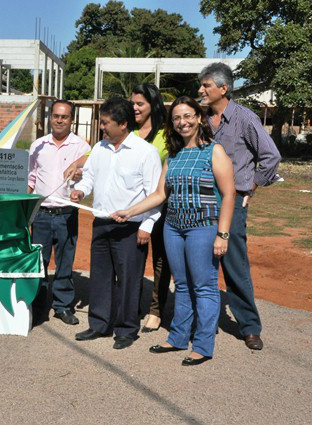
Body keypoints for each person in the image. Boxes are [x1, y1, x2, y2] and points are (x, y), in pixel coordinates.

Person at [112, 96, 236, 366]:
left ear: (200, 118)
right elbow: (159, 194)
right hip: (173, 228)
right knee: (181, 284)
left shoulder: (214, 151)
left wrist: (222, 234)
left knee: (203, 287)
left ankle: (203, 344)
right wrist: (130, 211)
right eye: (177, 118)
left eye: (188, 116)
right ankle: (178, 338)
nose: (183, 122)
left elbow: (228, 195)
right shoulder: (174, 155)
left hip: (203, 228)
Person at [64, 84, 171, 332]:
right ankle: (99, 325)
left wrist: (146, 226)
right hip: (101, 223)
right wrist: (82, 190)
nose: (101, 127)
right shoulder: (99, 149)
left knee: (128, 281)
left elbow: (155, 195)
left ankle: (126, 328)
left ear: (123, 125)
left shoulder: (146, 153)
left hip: (131, 228)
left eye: (105, 123)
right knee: (100, 278)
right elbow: (89, 178)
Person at [198, 62, 281, 350]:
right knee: (200, 257)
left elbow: (271, 156)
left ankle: (249, 326)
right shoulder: (202, 120)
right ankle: (202, 317)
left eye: (206, 85)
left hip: (233, 200)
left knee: (234, 262)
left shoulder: (245, 119)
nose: (201, 90)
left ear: (224, 88)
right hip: (203, 198)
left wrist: (253, 186)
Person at [27, 100, 90, 325]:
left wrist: (80, 172)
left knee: (65, 261)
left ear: (71, 119)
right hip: (41, 214)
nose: (59, 120)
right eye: (55, 116)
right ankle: (38, 305)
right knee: (39, 261)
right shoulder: (38, 145)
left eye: (64, 117)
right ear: (50, 118)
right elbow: (31, 178)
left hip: (66, 214)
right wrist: (25, 210)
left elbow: (91, 172)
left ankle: (62, 306)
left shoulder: (82, 147)